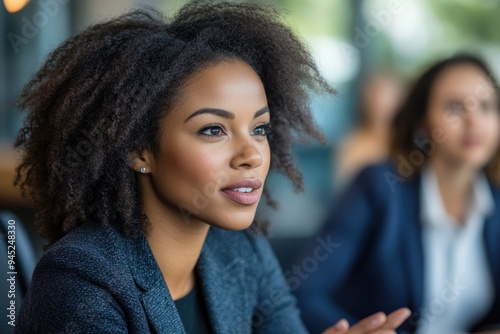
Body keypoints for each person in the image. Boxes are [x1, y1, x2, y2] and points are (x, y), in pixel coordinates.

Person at [13, 2, 410, 333]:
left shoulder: (241, 252)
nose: (251, 154)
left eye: (259, 128)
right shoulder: (79, 277)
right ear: (139, 150)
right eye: (214, 129)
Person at [295, 54, 500, 334]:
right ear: (422, 122)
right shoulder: (379, 186)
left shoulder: (496, 201)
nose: (474, 120)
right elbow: (303, 293)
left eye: (487, 107)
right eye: (455, 107)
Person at [334, 72, 404, 191]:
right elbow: (345, 191)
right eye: (378, 98)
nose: (382, 106)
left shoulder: (407, 143)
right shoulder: (352, 144)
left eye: (389, 98)